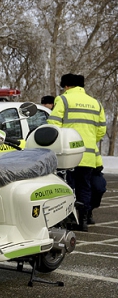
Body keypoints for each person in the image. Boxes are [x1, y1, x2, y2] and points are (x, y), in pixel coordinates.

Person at [47, 73, 106, 231]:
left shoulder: (63, 99)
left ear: (66, 86)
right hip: (88, 155)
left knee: (67, 187)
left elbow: (54, 125)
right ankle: (84, 220)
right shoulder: (96, 103)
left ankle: (68, 219)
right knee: (85, 187)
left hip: (68, 154)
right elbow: (101, 131)